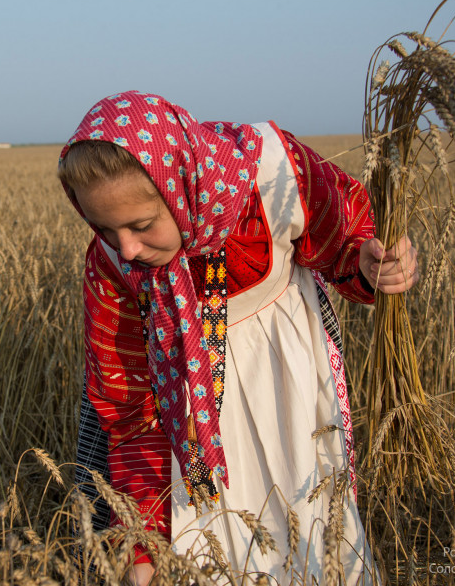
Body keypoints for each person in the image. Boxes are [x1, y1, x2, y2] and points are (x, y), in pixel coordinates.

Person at [60, 91, 418, 585]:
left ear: (183, 184)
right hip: (183, 437)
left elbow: (345, 238)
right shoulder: (110, 266)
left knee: (311, 540)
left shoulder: (273, 172)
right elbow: (127, 409)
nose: (127, 248)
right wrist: (142, 541)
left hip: (290, 396)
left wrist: (372, 264)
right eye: (104, 228)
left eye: (142, 225)